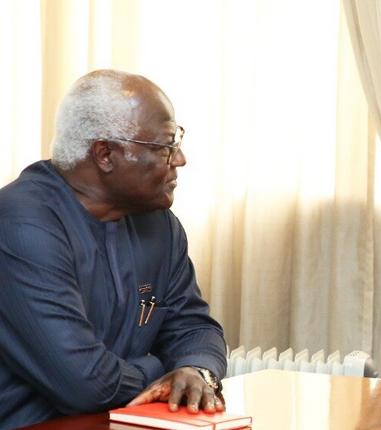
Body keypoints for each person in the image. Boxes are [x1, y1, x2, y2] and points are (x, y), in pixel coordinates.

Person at [0, 70, 227, 428]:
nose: (180, 159)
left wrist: (196, 369)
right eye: (166, 146)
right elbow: (85, 383)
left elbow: (195, 328)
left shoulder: (159, 224)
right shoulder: (21, 226)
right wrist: (161, 370)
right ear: (105, 154)